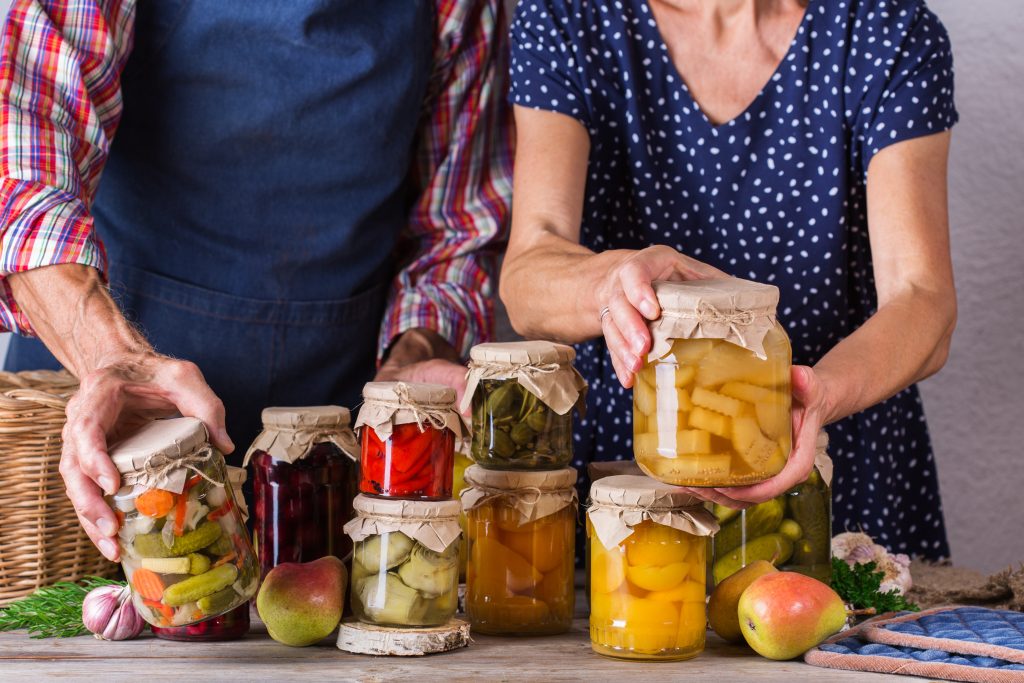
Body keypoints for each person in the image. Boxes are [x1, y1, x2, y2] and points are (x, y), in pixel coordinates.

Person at [0, 0, 511, 562]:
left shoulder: (459, 9)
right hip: (118, 435)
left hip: (331, 464)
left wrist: (412, 358)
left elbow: (455, 236)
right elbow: (22, 173)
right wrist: (113, 357)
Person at [501, 0, 957, 559]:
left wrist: (817, 398)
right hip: (635, 474)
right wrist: (608, 284)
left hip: (838, 457)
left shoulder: (886, 28)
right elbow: (527, 275)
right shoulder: (566, 17)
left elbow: (923, 300)